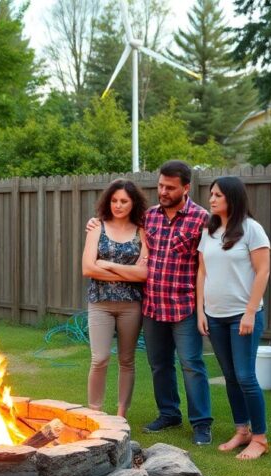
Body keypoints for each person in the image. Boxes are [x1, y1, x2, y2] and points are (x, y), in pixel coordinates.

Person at [87, 160, 213, 445]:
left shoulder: (201, 218)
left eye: (170, 187)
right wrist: (95, 221)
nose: (163, 191)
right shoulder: (150, 218)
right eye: (160, 185)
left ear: (186, 188)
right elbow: (118, 225)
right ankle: (169, 413)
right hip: (153, 306)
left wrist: (204, 305)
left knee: (191, 364)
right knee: (159, 364)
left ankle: (201, 423)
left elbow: (207, 266)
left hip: (184, 306)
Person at [196, 176, 271, 460]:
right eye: (211, 194)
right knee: (229, 377)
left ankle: (260, 438)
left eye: (217, 195)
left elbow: (263, 272)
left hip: (243, 315)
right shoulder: (210, 230)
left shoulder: (252, 230)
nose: (211, 199)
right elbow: (202, 272)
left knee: (245, 377)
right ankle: (242, 430)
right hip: (214, 316)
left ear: (232, 198)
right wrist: (200, 310)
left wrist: (251, 312)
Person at [80, 179, 148, 417]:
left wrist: (106, 264)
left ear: (133, 203)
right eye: (114, 200)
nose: (118, 205)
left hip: (131, 306)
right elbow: (87, 269)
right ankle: (95, 414)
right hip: (100, 303)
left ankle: (121, 415)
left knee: (127, 360)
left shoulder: (142, 231)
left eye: (124, 201)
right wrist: (128, 273)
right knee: (99, 358)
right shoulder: (97, 227)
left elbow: (144, 274)